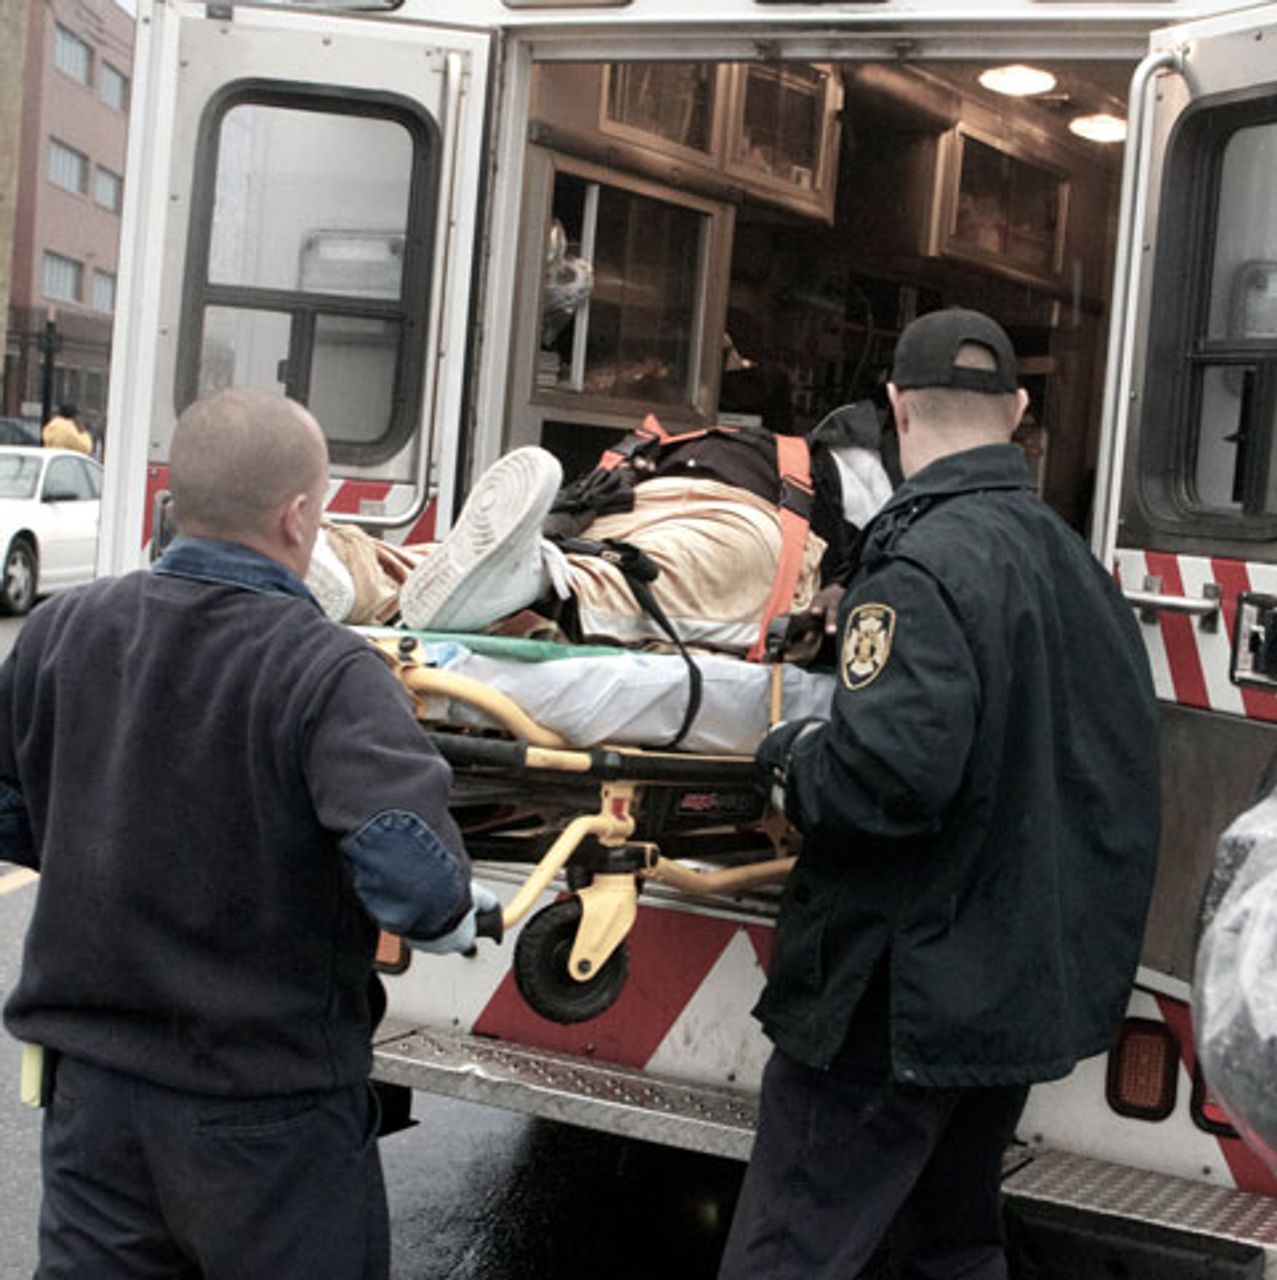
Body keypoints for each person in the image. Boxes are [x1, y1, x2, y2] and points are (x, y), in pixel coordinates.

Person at [1, 388, 487, 1280]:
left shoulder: (58, 631)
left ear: (174, 502)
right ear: (299, 516)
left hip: (93, 1106)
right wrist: (458, 909)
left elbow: (12, 811)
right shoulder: (329, 672)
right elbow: (416, 886)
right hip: (267, 1115)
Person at [717, 309, 1161, 1279]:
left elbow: (885, 781)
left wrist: (793, 760)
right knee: (944, 1244)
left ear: (895, 408)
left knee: (792, 1247)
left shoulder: (914, 566)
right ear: (1017, 412)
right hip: (1007, 989)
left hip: (899, 996)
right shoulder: (1078, 572)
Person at [306, 409, 894, 658]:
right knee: (600, 590)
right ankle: (533, 584)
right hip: (754, 532)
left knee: (574, 556)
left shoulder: (848, 436)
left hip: (639, 484)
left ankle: (347, 557)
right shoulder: (911, 476)